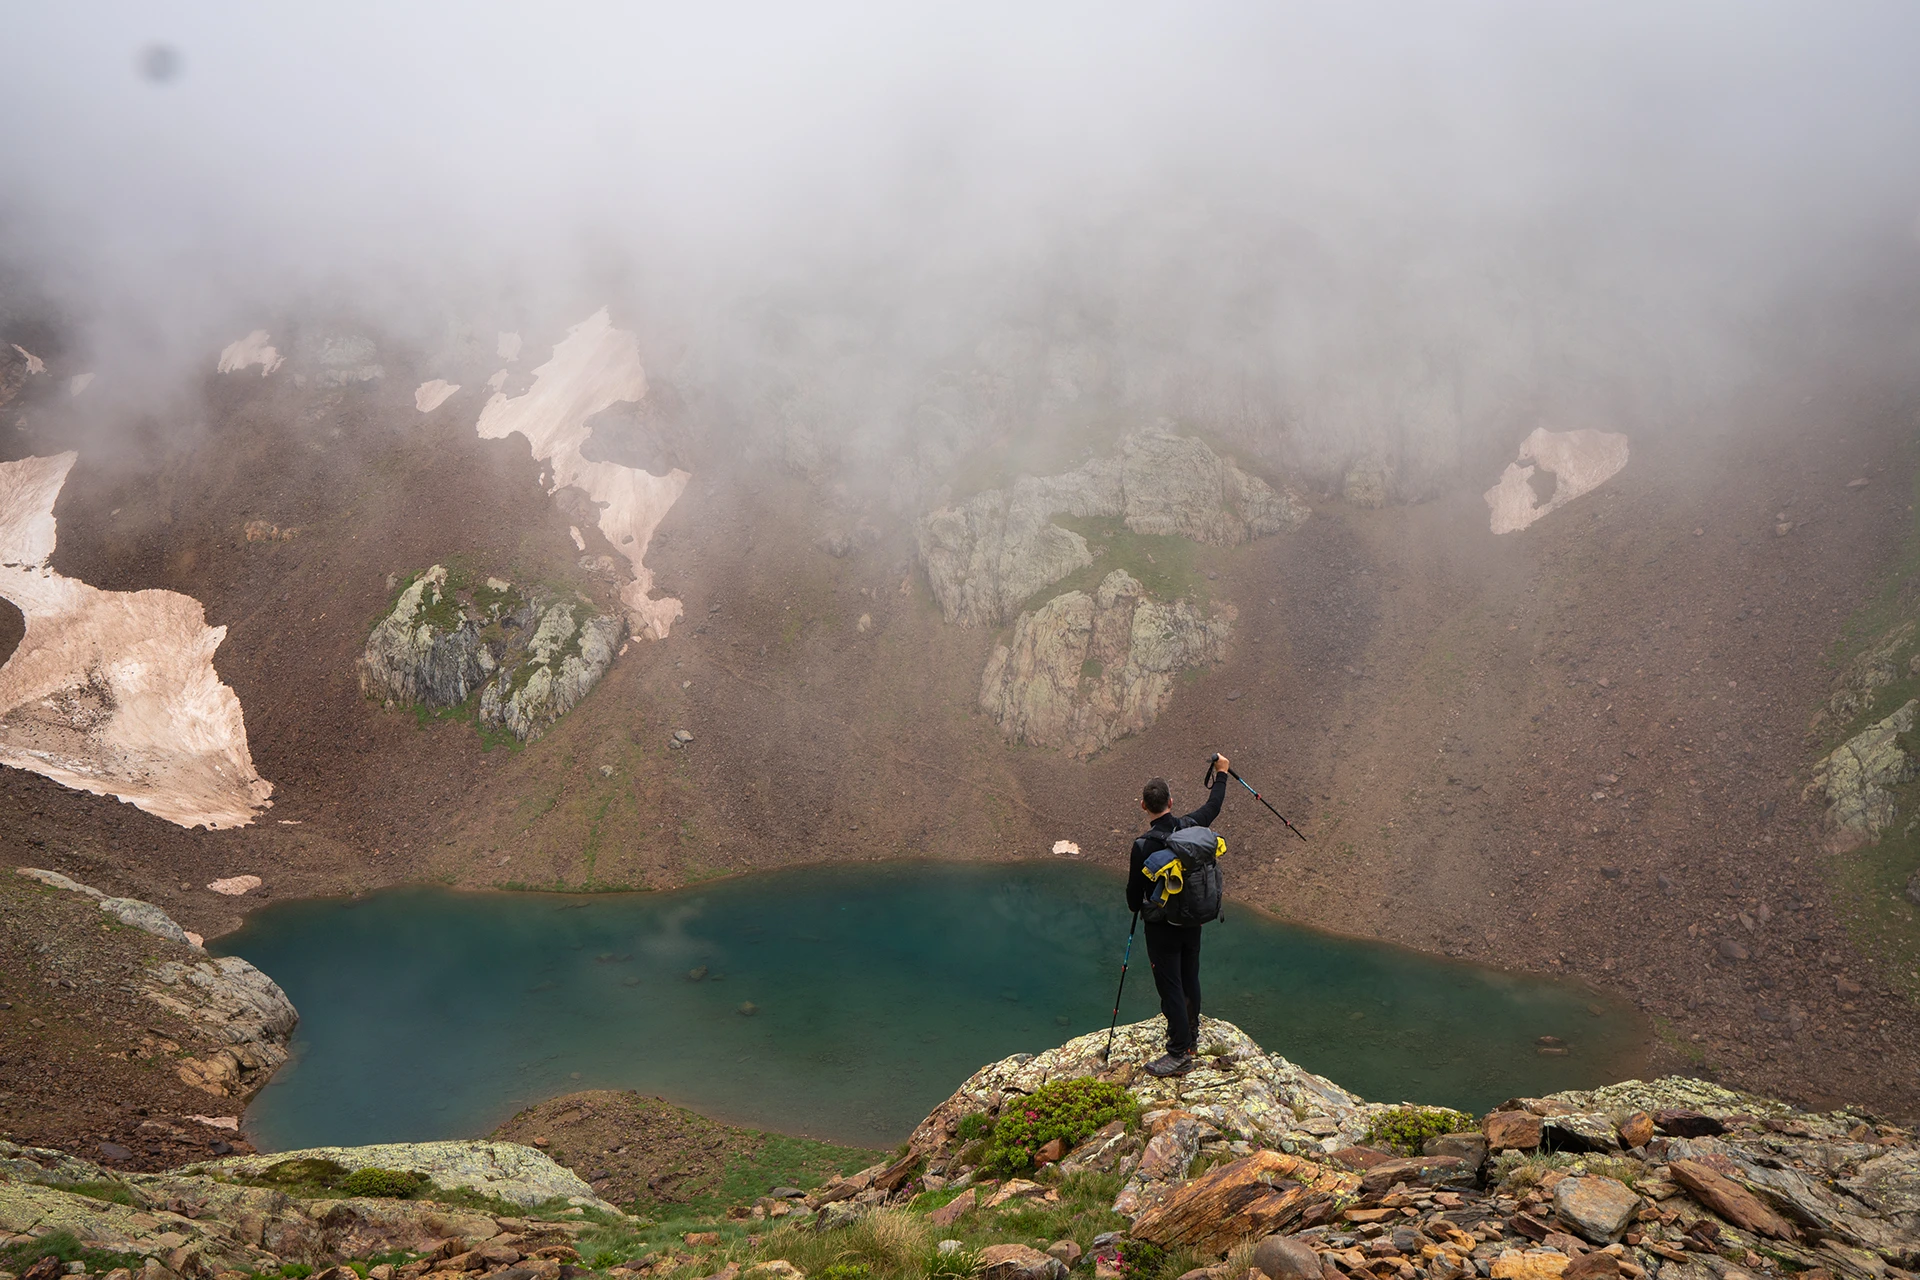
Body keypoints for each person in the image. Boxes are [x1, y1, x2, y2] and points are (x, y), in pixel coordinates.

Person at [1126, 754, 1228, 1077]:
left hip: (1162, 929)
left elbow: (1132, 899)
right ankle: (1191, 1036)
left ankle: (1179, 1052)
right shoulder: (1190, 828)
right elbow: (1214, 806)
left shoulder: (1143, 846)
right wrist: (1221, 773)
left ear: (1144, 806)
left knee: (1169, 984)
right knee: (1189, 977)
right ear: (1171, 801)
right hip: (1192, 921)